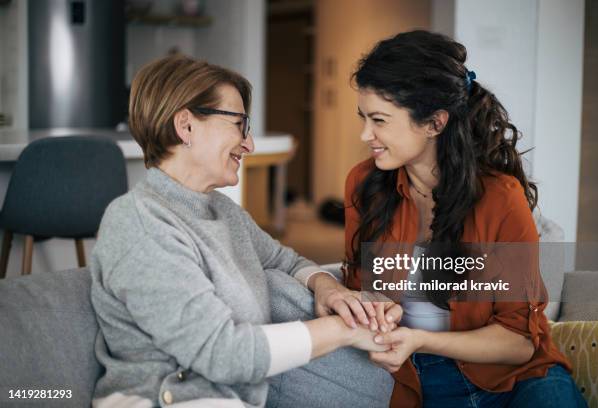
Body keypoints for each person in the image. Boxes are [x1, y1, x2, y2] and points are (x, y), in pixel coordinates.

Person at [89, 55, 399, 408]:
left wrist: (327, 287)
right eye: (239, 124)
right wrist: (345, 331)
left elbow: (284, 259)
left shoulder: (222, 211)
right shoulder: (139, 223)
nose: (249, 144)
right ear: (186, 126)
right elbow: (222, 354)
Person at [343, 30, 587, 407]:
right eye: (364, 118)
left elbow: (519, 342)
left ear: (435, 123)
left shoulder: (500, 198)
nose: (365, 134)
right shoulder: (364, 185)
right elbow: (360, 288)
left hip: (512, 380)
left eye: (379, 120)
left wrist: (422, 339)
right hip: (411, 379)